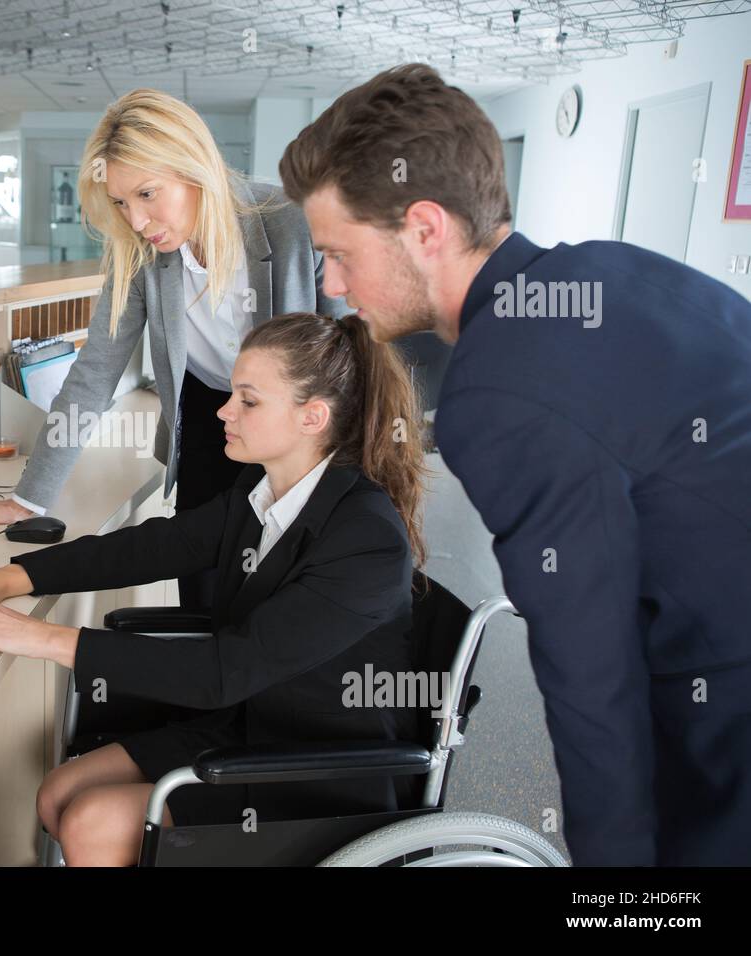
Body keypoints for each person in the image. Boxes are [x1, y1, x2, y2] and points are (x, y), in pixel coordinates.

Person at [279, 62, 751, 866]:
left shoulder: (497, 395)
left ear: (424, 229)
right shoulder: (613, 268)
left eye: (337, 252)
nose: (329, 282)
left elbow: (589, 677)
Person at [0, 312, 427, 866]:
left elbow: (223, 671)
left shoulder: (365, 537)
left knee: (88, 824)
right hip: (249, 724)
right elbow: (156, 546)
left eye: (248, 401)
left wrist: (39, 637)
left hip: (316, 771)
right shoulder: (264, 489)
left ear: (312, 417)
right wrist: (11, 577)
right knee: (57, 795)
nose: (223, 411)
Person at [0, 88, 349, 610]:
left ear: (194, 168)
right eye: (122, 202)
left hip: (301, 423)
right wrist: (28, 497)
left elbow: (350, 357)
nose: (137, 221)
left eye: (148, 194)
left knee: (288, 586)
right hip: (208, 416)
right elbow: (94, 372)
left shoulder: (290, 222)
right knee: (205, 583)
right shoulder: (140, 253)